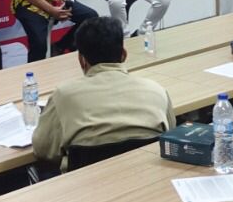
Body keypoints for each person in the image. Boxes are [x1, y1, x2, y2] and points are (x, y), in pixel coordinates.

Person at [31, 18, 171, 169]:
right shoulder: (156, 90)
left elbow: (43, 150)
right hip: (148, 177)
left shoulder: (63, 95)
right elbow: (171, 135)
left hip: (85, 182)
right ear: (124, 55)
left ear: (81, 60)